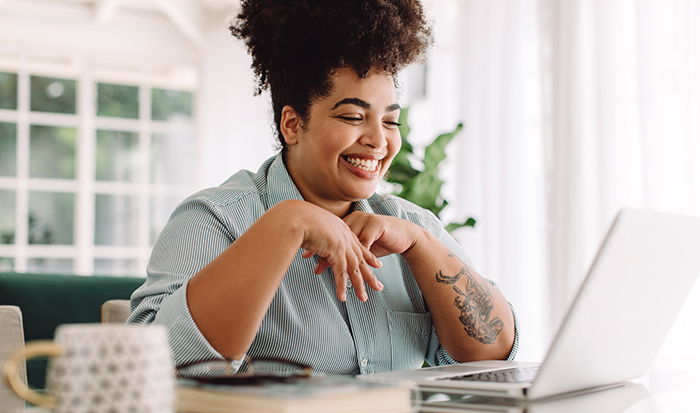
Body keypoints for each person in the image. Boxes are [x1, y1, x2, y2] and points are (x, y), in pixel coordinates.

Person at [129, 0, 518, 375]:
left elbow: (493, 355)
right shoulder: (214, 220)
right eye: (353, 116)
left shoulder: (411, 228)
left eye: (390, 121)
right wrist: (287, 223)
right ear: (293, 125)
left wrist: (422, 247)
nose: (378, 141)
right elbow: (147, 369)